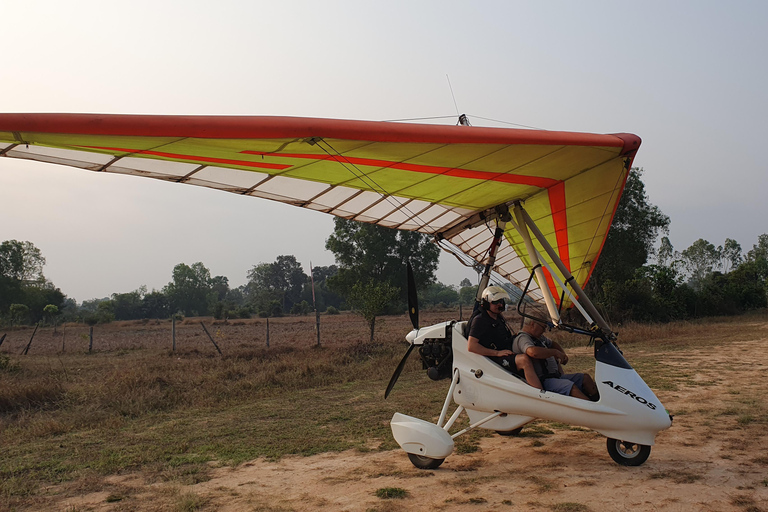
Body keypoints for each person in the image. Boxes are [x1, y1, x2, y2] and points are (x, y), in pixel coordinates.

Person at [467, 286, 543, 390]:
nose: (500, 304)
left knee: (533, 350)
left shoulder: (498, 317)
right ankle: (539, 393)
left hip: (504, 352)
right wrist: (497, 353)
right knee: (524, 360)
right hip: (492, 358)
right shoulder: (480, 320)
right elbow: (471, 346)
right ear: (486, 303)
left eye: (501, 301)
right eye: (496, 302)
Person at [512, 317, 598, 401]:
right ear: (533, 324)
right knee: (569, 387)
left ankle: (599, 402)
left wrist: (562, 354)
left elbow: (553, 343)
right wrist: (554, 353)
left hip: (555, 377)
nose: (544, 331)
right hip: (544, 381)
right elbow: (532, 352)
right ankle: (592, 411)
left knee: (585, 378)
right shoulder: (523, 338)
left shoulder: (539, 338)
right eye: (543, 327)